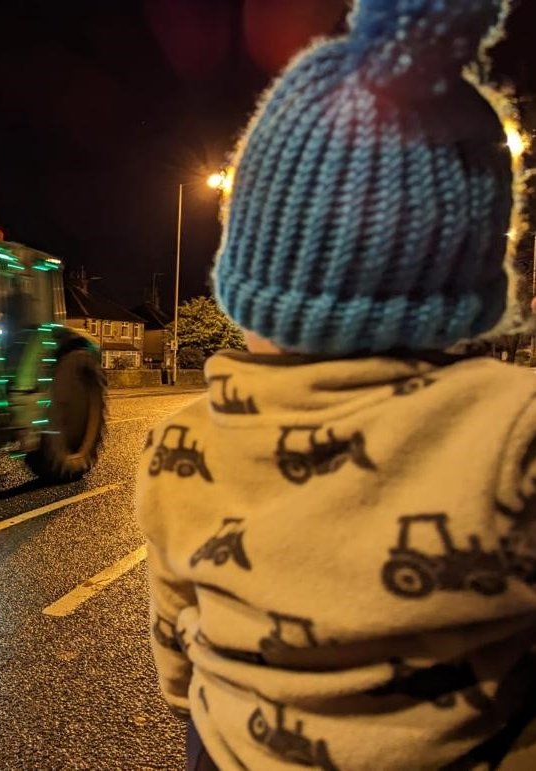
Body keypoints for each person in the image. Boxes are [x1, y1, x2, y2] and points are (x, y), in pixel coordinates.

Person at [135, 0, 536, 768]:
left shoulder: (178, 439)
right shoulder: (509, 428)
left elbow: (175, 636)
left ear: (249, 280)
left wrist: (194, 696)